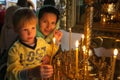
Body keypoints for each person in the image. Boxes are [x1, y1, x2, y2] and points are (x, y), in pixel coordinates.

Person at [6, 8, 59, 80]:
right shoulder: (15, 50)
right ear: (16, 30)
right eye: (25, 29)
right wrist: (30, 73)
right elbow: (11, 73)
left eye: (33, 28)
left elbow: (51, 50)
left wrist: (56, 41)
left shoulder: (41, 41)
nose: (30, 33)